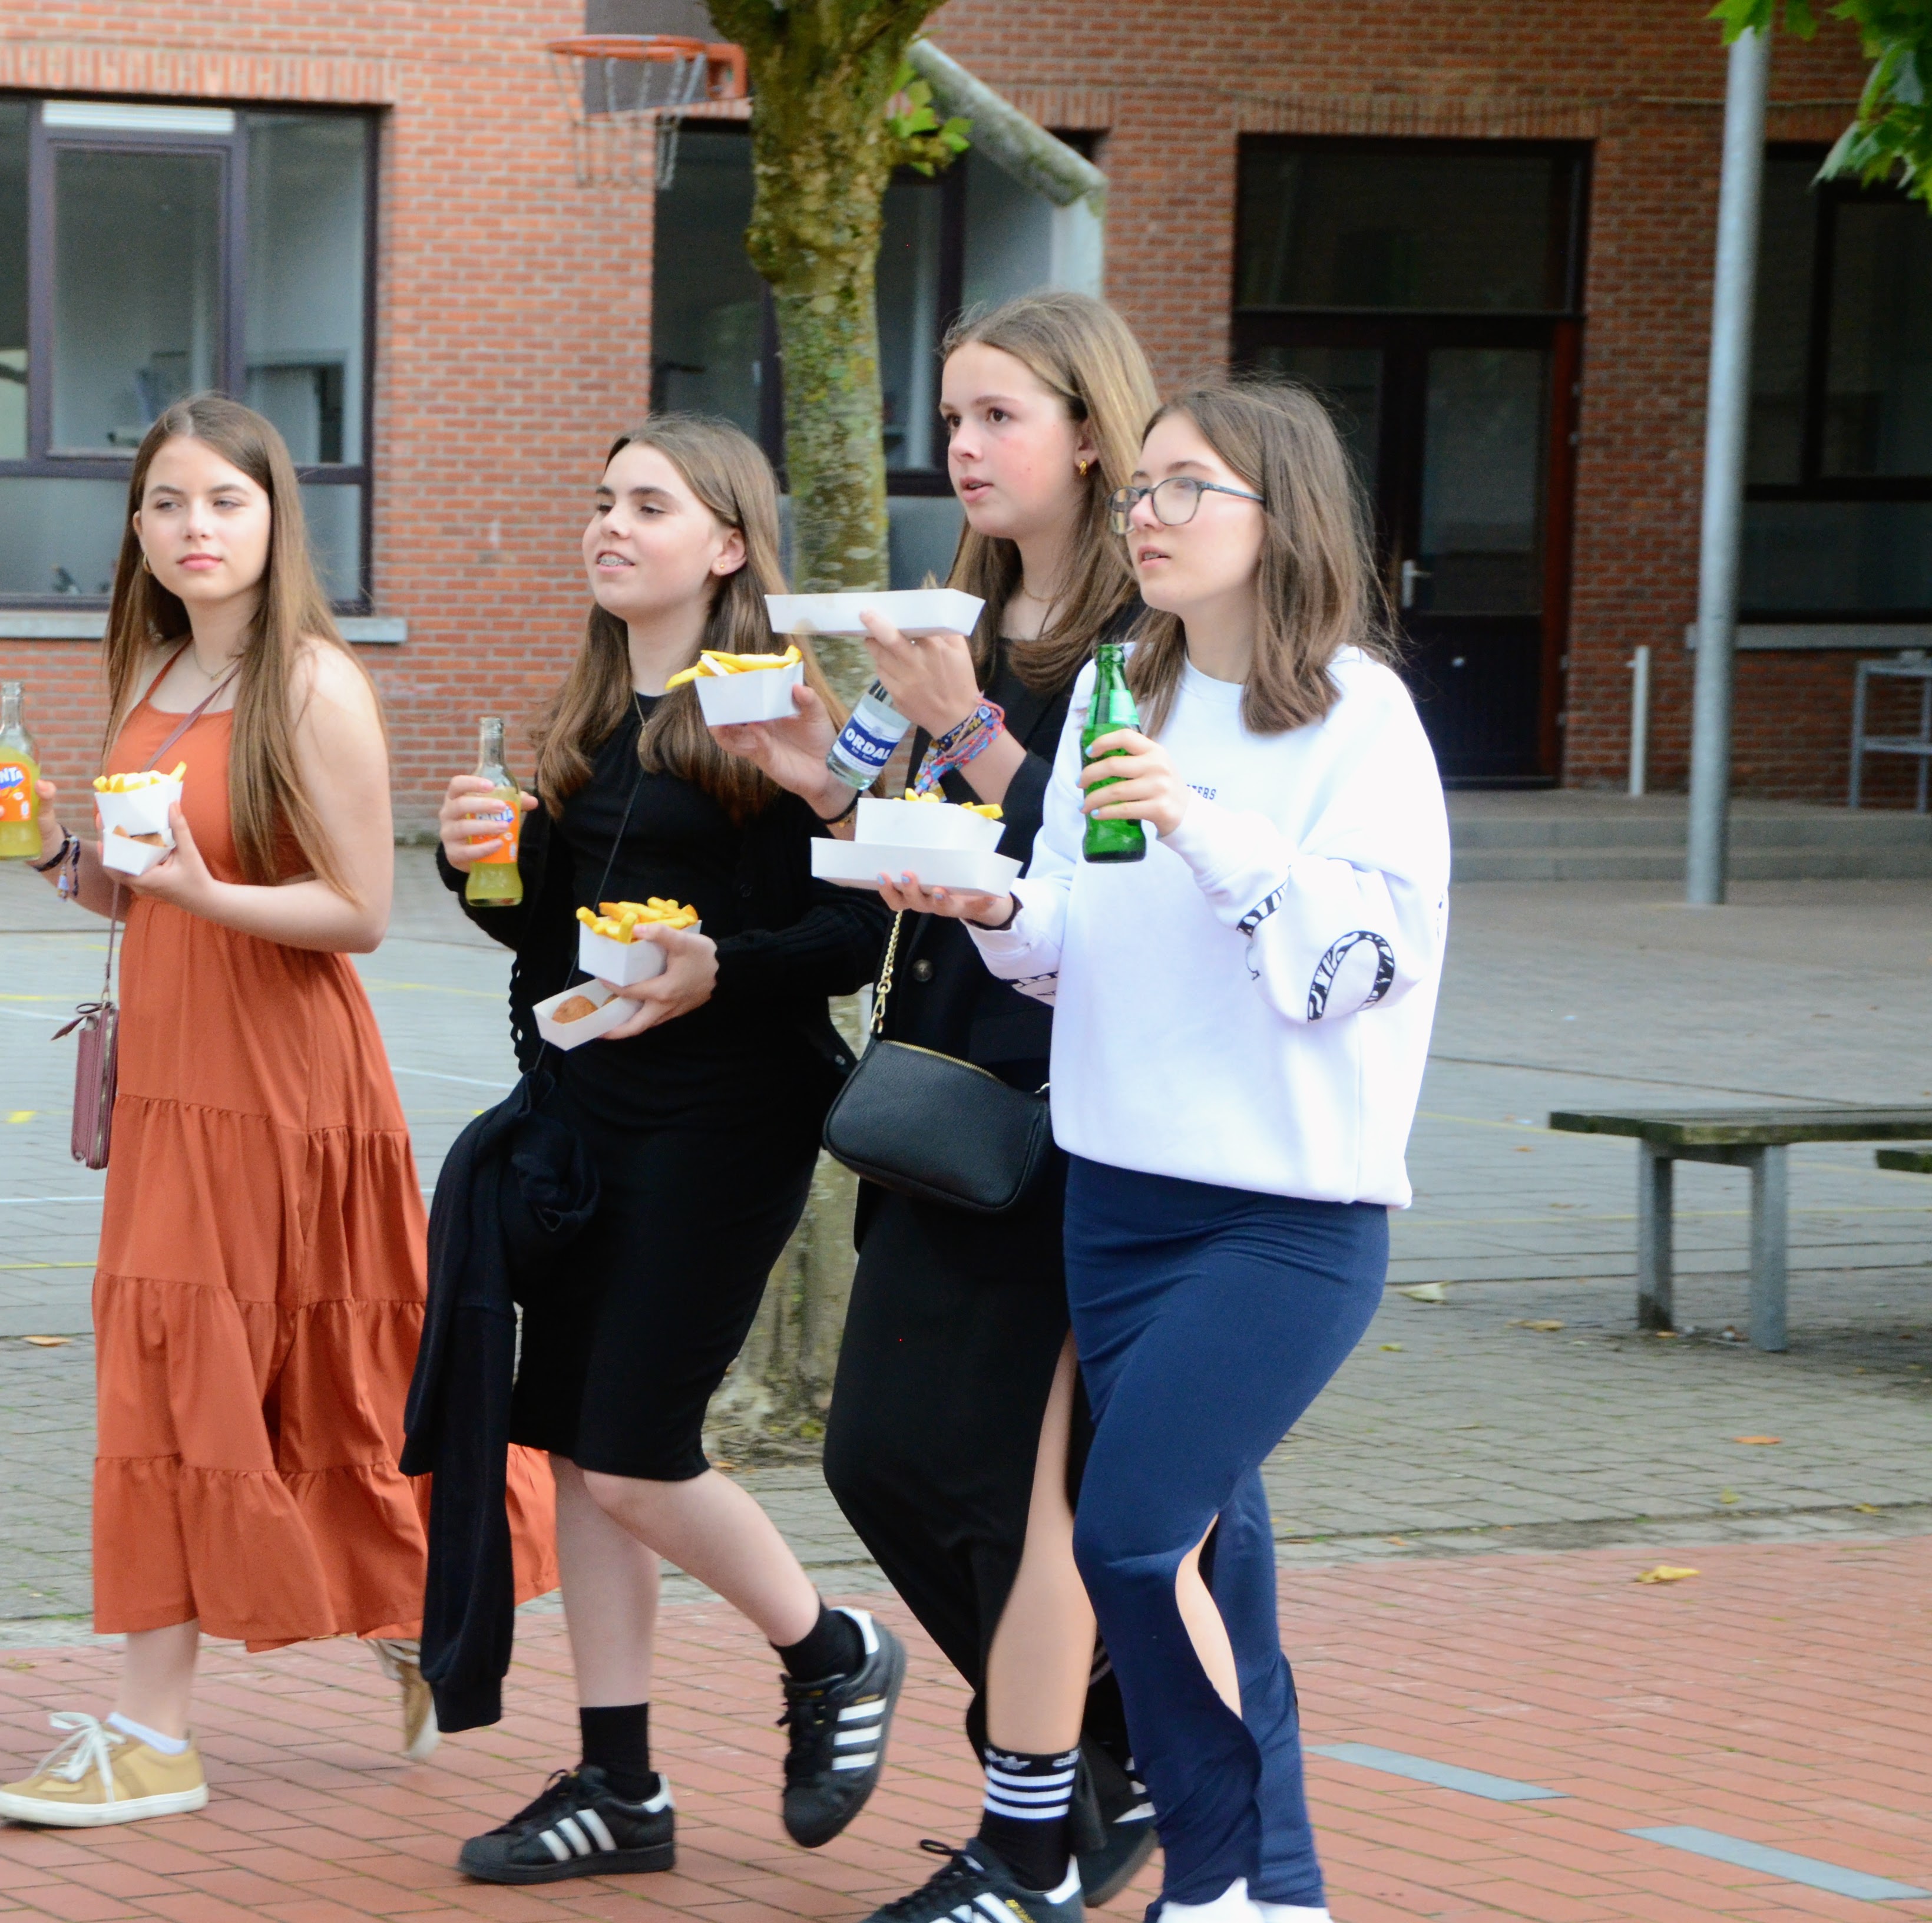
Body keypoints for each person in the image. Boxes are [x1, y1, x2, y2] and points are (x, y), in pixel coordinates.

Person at [0, 395, 554, 1826]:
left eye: (225, 501)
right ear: (137, 528)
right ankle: (415, 1617)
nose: (196, 529)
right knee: (221, 1369)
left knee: (254, 1369)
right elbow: (135, 889)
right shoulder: (155, 673)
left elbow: (359, 913)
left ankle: (154, 1734)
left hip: (282, 1083)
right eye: (168, 503)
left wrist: (200, 892)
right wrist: (50, 849)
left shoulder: (313, 685)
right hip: (175, 1082)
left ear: (276, 518)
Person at [933, 376, 1451, 1922]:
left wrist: (1201, 820)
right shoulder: (1120, 688)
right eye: (1140, 489)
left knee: (1132, 1539)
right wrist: (987, 903)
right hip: (1118, 1196)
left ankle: (1212, 1883)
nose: (1144, 517)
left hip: (1283, 1218)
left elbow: (1357, 964)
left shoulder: (1360, 714)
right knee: (1216, 1561)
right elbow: (1076, 939)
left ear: (1279, 519)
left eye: (1182, 488)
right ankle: (1275, 1893)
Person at [707, 290, 1163, 1923]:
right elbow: (908, 837)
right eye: (952, 417)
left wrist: (966, 724)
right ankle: (1113, 1752)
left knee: (1017, 1487)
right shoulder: (951, 612)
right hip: (934, 1082)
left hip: (1071, 1106)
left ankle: (1063, 1793)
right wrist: (821, 777)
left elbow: (1103, 861)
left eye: (998, 416)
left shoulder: (1140, 643)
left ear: (1092, 435)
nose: (963, 447)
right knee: (879, 1458)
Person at [431, 415, 898, 1885]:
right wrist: (479, 864)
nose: (611, 526)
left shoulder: (766, 713)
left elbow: (855, 927)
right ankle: (619, 1783)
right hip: (587, 1120)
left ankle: (832, 1650)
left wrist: (718, 970)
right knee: (580, 1452)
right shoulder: (589, 717)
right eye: (602, 501)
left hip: (725, 1127)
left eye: (650, 504)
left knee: (634, 1455)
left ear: (729, 544)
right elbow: (551, 939)